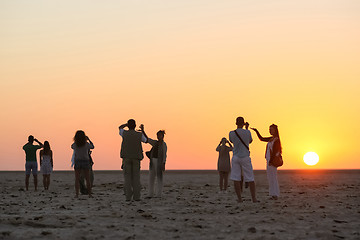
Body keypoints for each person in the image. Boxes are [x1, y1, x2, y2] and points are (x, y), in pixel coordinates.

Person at [229, 117, 258, 203]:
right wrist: (246, 128)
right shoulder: (247, 132)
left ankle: (240, 198)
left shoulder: (231, 133)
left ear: (236, 123)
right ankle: (254, 198)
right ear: (243, 123)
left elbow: (232, 141)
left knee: (236, 178)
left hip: (236, 156)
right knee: (250, 178)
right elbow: (250, 141)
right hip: (245, 156)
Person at [119, 119, 147, 201]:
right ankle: (137, 197)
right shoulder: (139, 135)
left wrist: (126, 124)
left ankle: (128, 196)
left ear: (128, 126)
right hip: (136, 158)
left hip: (126, 157)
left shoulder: (124, 133)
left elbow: (119, 127)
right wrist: (143, 130)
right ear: (135, 126)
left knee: (127, 178)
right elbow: (146, 140)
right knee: (136, 178)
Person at [251, 124, 282, 200]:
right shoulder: (271, 139)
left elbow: (276, 152)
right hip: (269, 160)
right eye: (269, 129)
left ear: (275, 130)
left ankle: (275, 194)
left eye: (271, 129)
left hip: (272, 161)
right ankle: (272, 194)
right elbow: (261, 139)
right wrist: (256, 131)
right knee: (270, 177)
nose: (270, 130)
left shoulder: (276, 140)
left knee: (273, 177)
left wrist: (271, 161)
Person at [143, 129, 167, 198]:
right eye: (158, 135)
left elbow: (164, 154)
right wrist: (143, 131)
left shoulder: (163, 144)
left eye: (160, 135)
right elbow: (148, 139)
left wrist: (163, 163)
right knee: (151, 177)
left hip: (159, 162)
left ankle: (159, 194)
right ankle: (150, 194)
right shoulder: (155, 143)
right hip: (152, 161)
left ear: (163, 136)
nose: (159, 136)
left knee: (159, 178)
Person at [71, 130, 94, 198]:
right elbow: (92, 146)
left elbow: (72, 146)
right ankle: (89, 194)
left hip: (78, 161)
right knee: (87, 179)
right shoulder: (86, 144)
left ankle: (77, 194)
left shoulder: (75, 144)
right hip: (85, 161)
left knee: (77, 179)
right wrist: (89, 139)